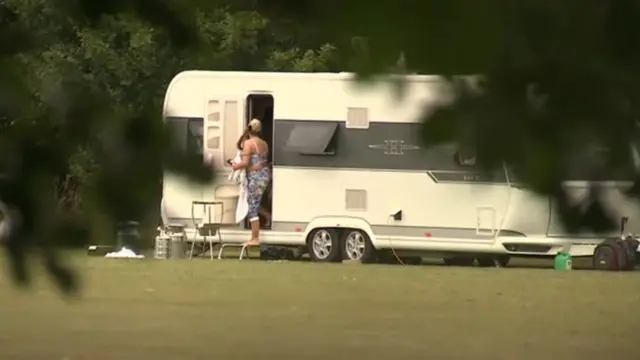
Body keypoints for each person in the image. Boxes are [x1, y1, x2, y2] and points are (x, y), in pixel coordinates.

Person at [232, 119, 271, 245]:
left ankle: (255, 238)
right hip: (265, 175)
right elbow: (262, 161)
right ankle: (268, 217)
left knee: (252, 208)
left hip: (256, 177)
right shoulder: (264, 143)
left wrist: (234, 166)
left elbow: (245, 163)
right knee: (255, 202)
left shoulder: (249, 143)